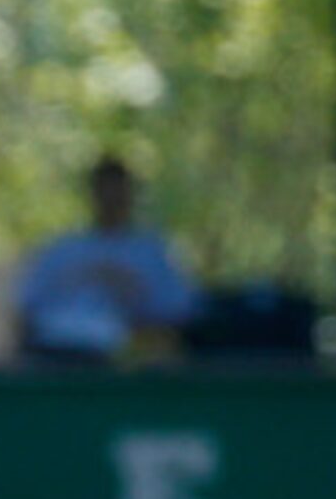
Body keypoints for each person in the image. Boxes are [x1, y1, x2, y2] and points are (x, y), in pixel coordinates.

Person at [14, 155, 198, 363]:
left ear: (130, 195)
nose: (111, 199)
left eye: (118, 191)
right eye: (104, 190)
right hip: (60, 357)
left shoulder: (152, 253)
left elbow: (180, 312)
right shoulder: (62, 251)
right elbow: (26, 312)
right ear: (92, 194)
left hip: (129, 359)